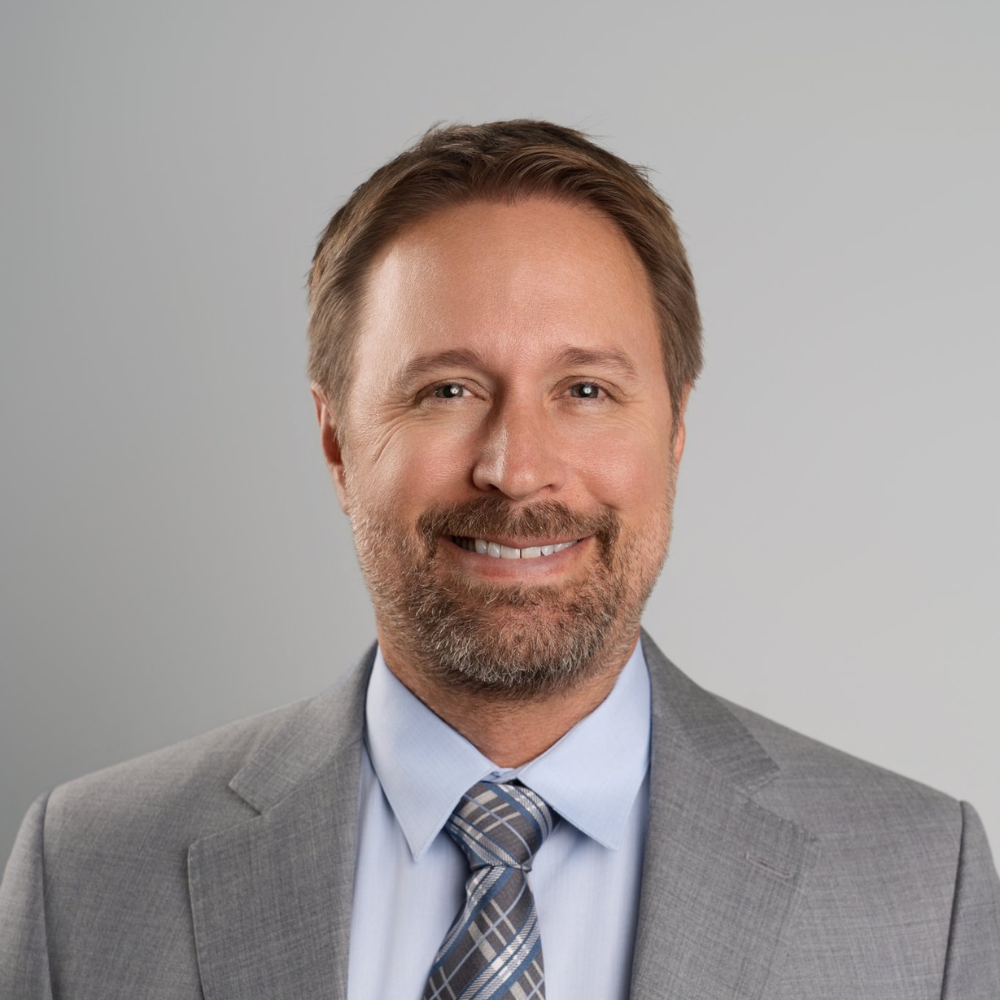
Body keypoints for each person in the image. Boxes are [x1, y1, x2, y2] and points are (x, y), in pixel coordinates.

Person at [1, 119, 997, 1000]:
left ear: (677, 429)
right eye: (445, 390)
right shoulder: (84, 875)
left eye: (586, 391)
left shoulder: (918, 886)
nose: (517, 471)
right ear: (337, 442)